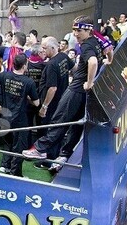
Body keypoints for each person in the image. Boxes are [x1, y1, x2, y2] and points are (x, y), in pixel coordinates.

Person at [23, 17, 103, 169]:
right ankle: (65, 154)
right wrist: (108, 61)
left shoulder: (84, 47)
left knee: (59, 122)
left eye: (79, 30)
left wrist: (89, 82)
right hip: (81, 93)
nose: (75, 34)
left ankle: (40, 149)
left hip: (74, 91)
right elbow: (106, 50)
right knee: (75, 125)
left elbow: (92, 62)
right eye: (74, 30)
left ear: (88, 30)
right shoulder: (92, 44)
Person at [0, 54, 40, 176]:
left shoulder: (4, 75)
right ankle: (15, 173)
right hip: (20, 119)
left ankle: (4, 166)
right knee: (19, 147)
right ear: (24, 66)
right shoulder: (29, 82)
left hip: (6, 117)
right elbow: (36, 103)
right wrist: (27, 97)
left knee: (8, 143)